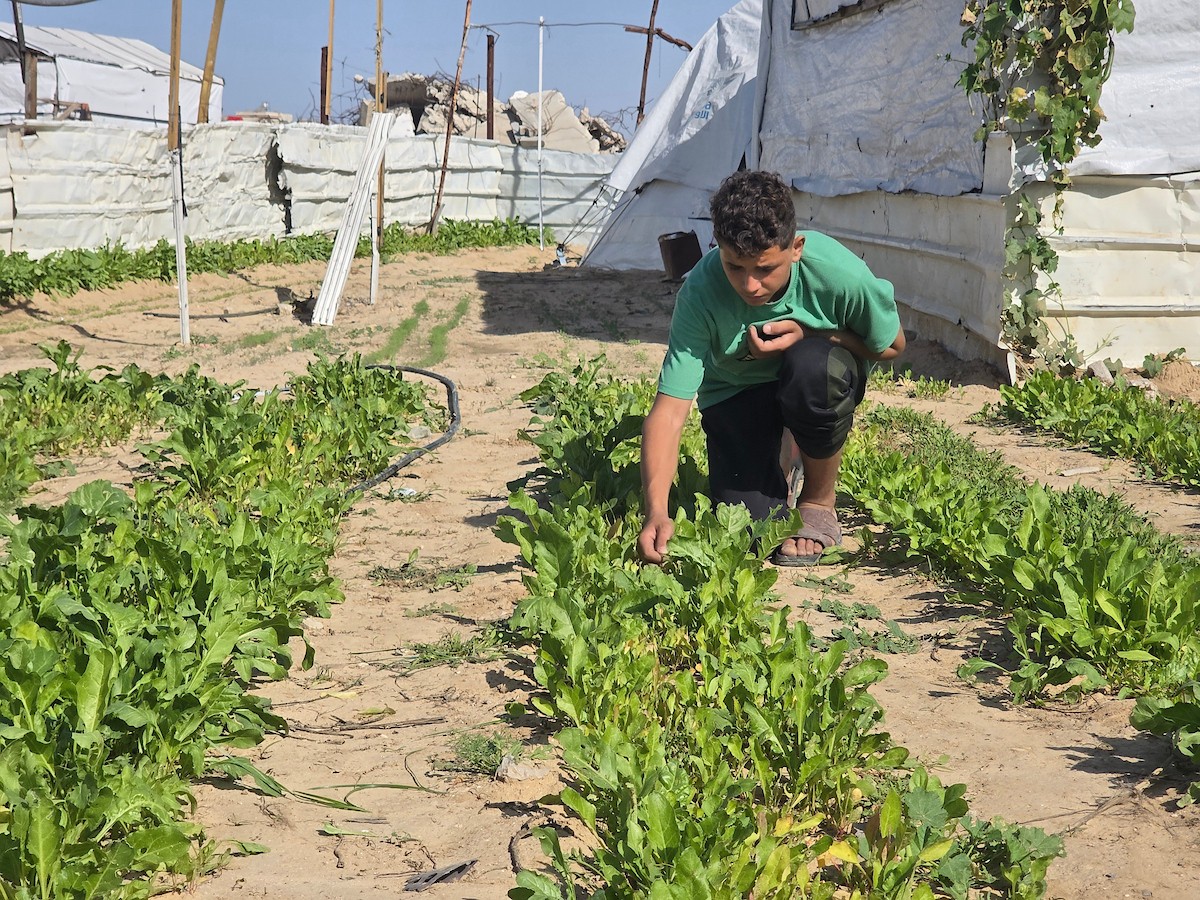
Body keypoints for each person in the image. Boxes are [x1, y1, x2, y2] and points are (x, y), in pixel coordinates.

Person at [637, 170, 905, 566]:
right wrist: (656, 511)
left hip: (809, 378)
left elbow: (893, 346)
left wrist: (813, 332)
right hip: (736, 392)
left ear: (795, 247)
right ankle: (782, 451)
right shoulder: (700, 292)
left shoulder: (837, 274)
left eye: (764, 269)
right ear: (718, 248)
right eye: (734, 267)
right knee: (752, 532)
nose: (750, 286)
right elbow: (670, 411)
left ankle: (817, 499)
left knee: (815, 367)